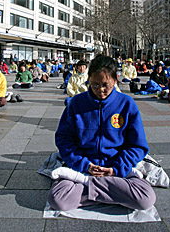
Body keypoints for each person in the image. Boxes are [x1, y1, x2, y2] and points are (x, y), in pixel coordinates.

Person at [48, 55, 156, 212]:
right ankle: (109, 192)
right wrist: (85, 165)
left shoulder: (126, 104)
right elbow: (64, 140)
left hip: (116, 168)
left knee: (145, 200)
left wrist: (115, 169)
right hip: (83, 168)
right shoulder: (76, 104)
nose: (101, 90)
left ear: (115, 80)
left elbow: (137, 146)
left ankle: (88, 188)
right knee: (58, 201)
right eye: (95, 85)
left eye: (106, 85)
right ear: (89, 79)